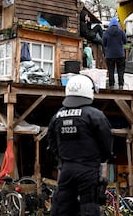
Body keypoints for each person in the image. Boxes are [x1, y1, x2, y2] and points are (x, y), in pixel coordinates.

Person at [47, 74, 113, 216]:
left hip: (66, 169)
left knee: (62, 205)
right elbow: (106, 142)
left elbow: (51, 142)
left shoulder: (58, 115)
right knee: (89, 206)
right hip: (88, 169)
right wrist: (103, 159)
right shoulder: (95, 115)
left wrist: (60, 160)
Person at [103, 17, 127, 90]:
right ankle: (121, 85)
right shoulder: (121, 31)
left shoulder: (106, 32)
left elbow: (104, 43)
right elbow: (125, 41)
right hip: (120, 54)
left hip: (109, 55)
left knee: (111, 71)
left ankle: (111, 86)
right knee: (120, 70)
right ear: (117, 24)